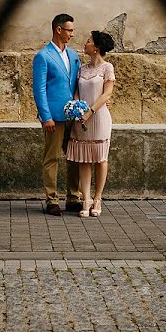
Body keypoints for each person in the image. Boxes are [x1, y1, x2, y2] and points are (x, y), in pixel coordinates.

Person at [32, 13, 83, 216]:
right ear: (58, 30)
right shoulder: (43, 56)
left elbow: (78, 83)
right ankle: (52, 200)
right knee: (52, 158)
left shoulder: (73, 56)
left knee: (74, 158)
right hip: (54, 116)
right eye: (69, 30)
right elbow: (39, 89)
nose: (72, 34)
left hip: (73, 117)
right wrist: (46, 117)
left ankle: (73, 198)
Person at [66, 30, 116, 218]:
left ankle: (97, 198)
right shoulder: (82, 68)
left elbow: (107, 94)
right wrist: (77, 107)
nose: (85, 43)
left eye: (88, 41)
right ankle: (85, 199)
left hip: (99, 117)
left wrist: (90, 112)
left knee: (100, 158)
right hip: (81, 118)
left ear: (96, 48)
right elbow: (77, 91)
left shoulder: (107, 68)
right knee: (84, 158)